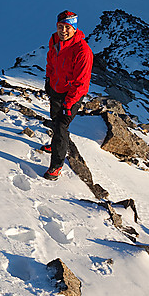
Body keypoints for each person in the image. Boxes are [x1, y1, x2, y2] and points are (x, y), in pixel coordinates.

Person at [42, 10, 93, 180]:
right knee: (55, 120)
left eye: (67, 27)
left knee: (61, 127)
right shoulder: (55, 41)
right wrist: (48, 79)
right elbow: (51, 61)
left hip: (71, 95)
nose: (63, 31)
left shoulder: (82, 51)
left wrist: (69, 104)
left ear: (74, 28)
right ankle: (56, 143)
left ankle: (56, 166)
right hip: (56, 88)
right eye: (60, 27)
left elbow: (81, 83)